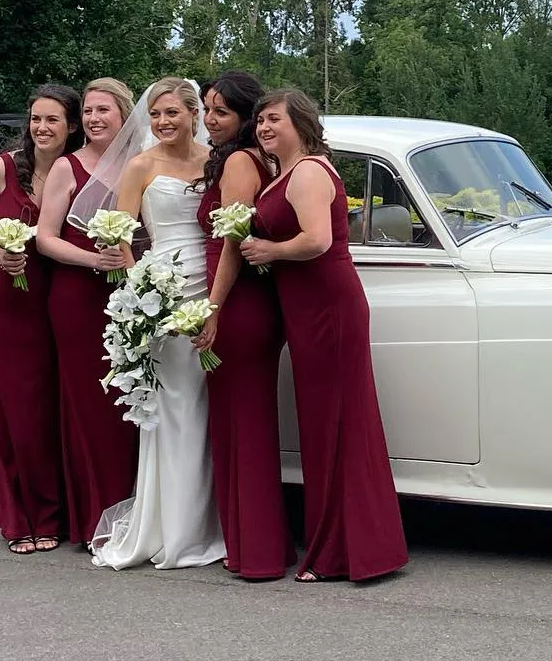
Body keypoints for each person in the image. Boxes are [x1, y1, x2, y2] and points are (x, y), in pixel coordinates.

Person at [239, 88, 409, 583]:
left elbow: (315, 240)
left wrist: (267, 251)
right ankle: (346, 544)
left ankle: (341, 551)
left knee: (335, 422)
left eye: (274, 120)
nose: (264, 128)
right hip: (308, 307)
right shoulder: (289, 172)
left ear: (301, 122)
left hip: (327, 307)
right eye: (261, 122)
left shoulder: (310, 171)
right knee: (324, 423)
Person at [85, 76, 226, 570]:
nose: (164, 122)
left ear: (194, 114)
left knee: (207, 411)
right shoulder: (140, 166)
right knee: (175, 409)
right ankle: (170, 530)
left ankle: (204, 523)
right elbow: (122, 238)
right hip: (162, 292)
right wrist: (140, 291)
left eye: (174, 113)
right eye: (157, 115)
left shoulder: (215, 163)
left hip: (211, 284)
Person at [0, 83, 83, 554]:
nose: (42, 128)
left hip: (50, 302)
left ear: (71, 126)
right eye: (35, 119)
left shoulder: (79, 171)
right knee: (10, 409)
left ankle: (57, 511)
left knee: (47, 409)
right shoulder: (3, 168)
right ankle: (21, 517)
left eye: (53, 120)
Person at [192, 71, 295, 580]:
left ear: (245, 118)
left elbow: (232, 240)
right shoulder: (260, 158)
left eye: (221, 111)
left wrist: (211, 307)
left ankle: (257, 551)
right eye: (207, 109)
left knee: (243, 425)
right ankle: (256, 542)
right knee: (242, 423)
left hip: (237, 301)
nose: (210, 119)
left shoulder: (239, 160)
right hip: (244, 297)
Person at [35, 77, 140, 549]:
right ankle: (91, 518)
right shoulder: (67, 167)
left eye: (105, 111)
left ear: (124, 116)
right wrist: (95, 260)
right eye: (90, 112)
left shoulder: (140, 165)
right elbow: (46, 237)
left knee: (129, 405)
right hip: (77, 296)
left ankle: (133, 510)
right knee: (88, 405)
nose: (96, 119)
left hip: (131, 297)